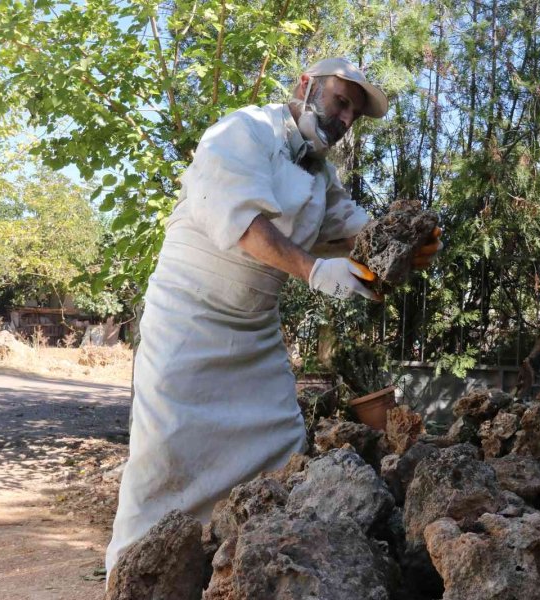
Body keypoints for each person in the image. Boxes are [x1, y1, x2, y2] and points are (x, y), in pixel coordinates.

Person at [105, 58, 440, 572]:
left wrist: (408, 240)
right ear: (306, 86)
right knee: (163, 457)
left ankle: (240, 574)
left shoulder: (321, 174)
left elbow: (354, 229)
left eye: (353, 114)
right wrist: (313, 270)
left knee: (282, 449)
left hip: (255, 331)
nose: (345, 119)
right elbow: (241, 220)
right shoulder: (243, 130)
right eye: (340, 102)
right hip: (188, 318)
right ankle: (135, 577)